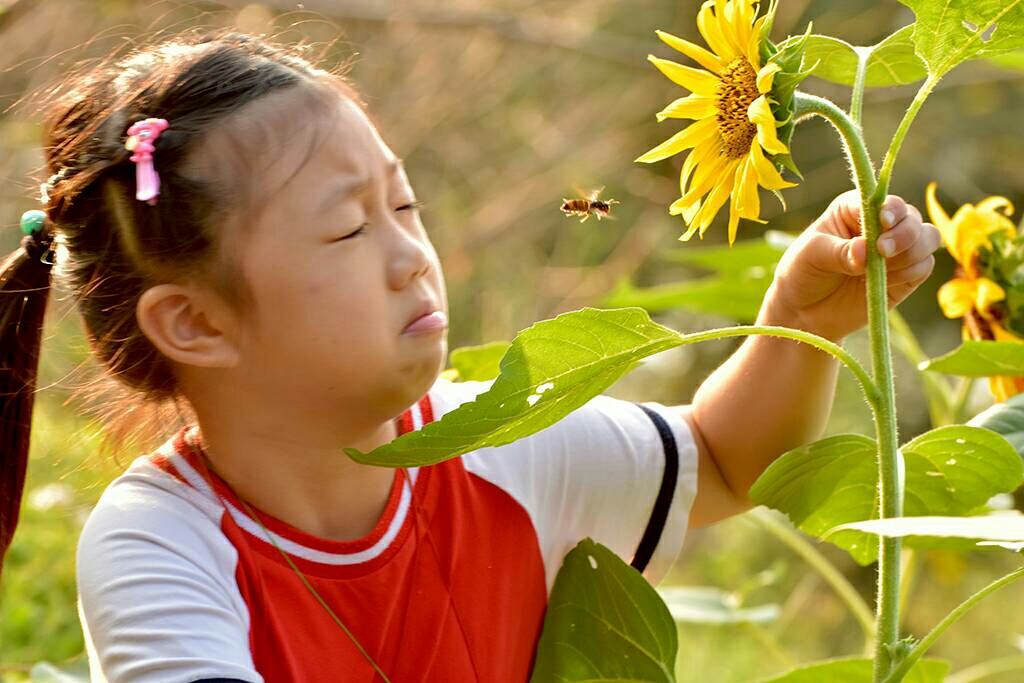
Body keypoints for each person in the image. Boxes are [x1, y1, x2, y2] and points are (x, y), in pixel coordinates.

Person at [0, 30, 940, 683]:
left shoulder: (497, 442)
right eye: (348, 230)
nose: (412, 253)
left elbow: (724, 460)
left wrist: (804, 321)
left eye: (404, 206)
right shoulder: (158, 543)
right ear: (196, 325)